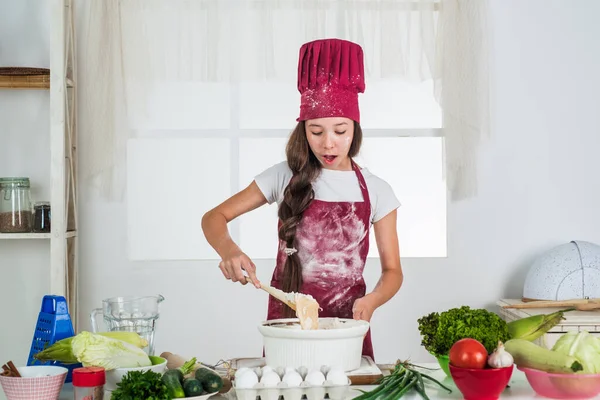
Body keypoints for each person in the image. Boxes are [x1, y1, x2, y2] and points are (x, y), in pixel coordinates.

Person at [202, 38, 403, 359]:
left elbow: (393, 270)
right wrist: (229, 250)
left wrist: (373, 300)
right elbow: (213, 218)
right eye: (316, 131)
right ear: (303, 130)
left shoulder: (377, 189)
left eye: (340, 131)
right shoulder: (283, 176)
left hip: (347, 324)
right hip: (288, 323)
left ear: (355, 129)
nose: (328, 144)